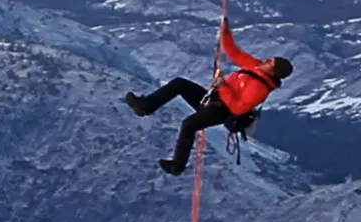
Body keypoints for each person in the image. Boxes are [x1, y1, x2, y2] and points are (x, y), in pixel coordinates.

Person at [125, 22, 292, 175]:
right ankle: (145, 106)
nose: (267, 60)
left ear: (272, 71)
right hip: (213, 99)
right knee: (179, 84)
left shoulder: (260, 89)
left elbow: (237, 108)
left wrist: (221, 84)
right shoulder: (256, 68)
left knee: (189, 124)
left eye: (270, 62)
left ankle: (177, 166)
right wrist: (225, 33)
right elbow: (235, 53)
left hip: (220, 111)